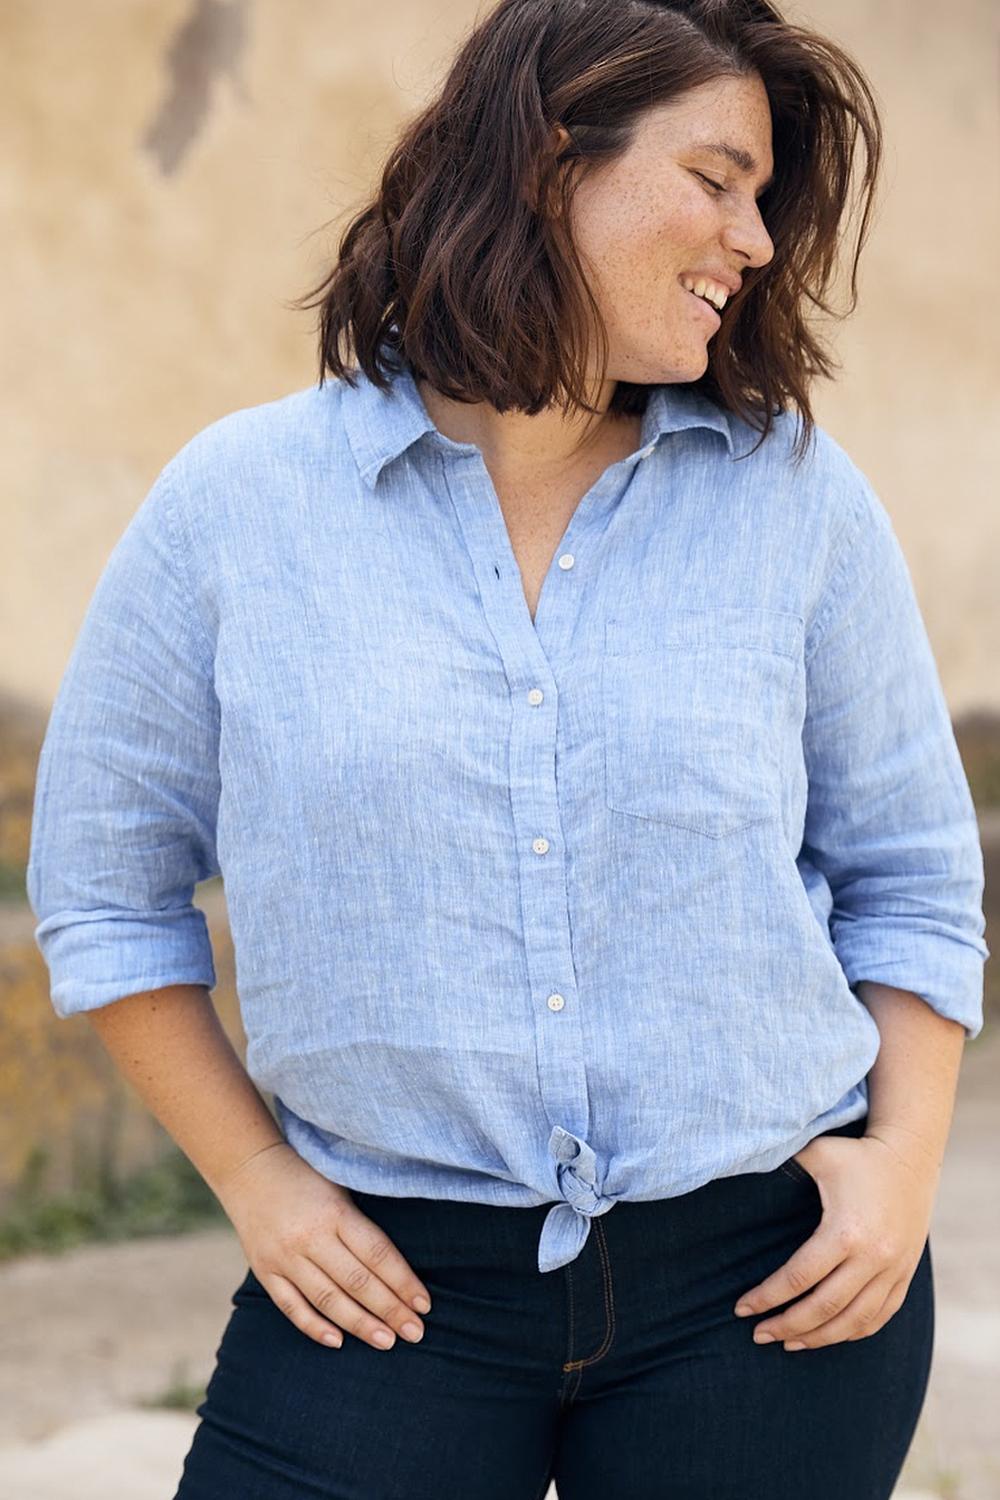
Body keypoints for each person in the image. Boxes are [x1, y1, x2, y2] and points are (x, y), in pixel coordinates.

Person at [28, 1, 988, 1496]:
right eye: (718, 180)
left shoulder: (796, 500)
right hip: (386, 1284)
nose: (753, 240)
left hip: (767, 1288)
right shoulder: (237, 509)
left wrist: (904, 1169)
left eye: (765, 201)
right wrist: (260, 1181)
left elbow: (914, 873)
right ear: (550, 161)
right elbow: (103, 887)